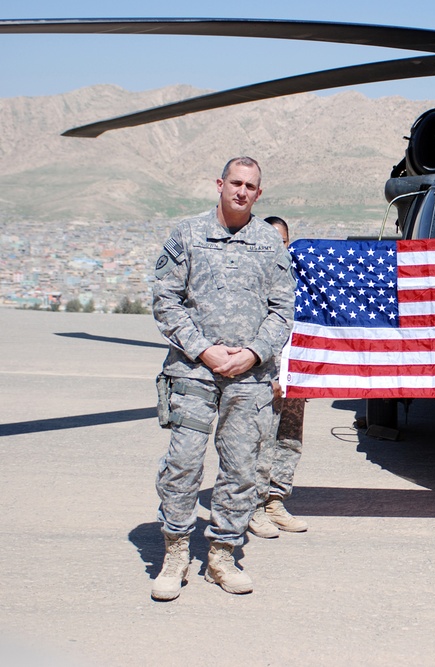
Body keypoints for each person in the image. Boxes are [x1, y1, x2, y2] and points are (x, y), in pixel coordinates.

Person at [150, 157, 295, 600]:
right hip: (193, 372)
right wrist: (203, 349)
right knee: (183, 465)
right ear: (220, 184)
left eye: (251, 186)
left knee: (241, 469)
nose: (242, 192)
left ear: (259, 193)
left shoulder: (271, 243)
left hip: (249, 380)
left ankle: (221, 555)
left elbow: (283, 310)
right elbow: (165, 299)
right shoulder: (187, 235)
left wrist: (252, 353)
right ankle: (175, 553)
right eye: (236, 183)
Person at [248, 216, 308, 538]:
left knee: (289, 441)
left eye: (282, 242)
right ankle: (254, 507)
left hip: (294, 375)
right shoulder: (253, 279)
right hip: (263, 375)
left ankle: (275, 501)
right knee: (261, 443)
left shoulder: (302, 280)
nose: (277, 247)